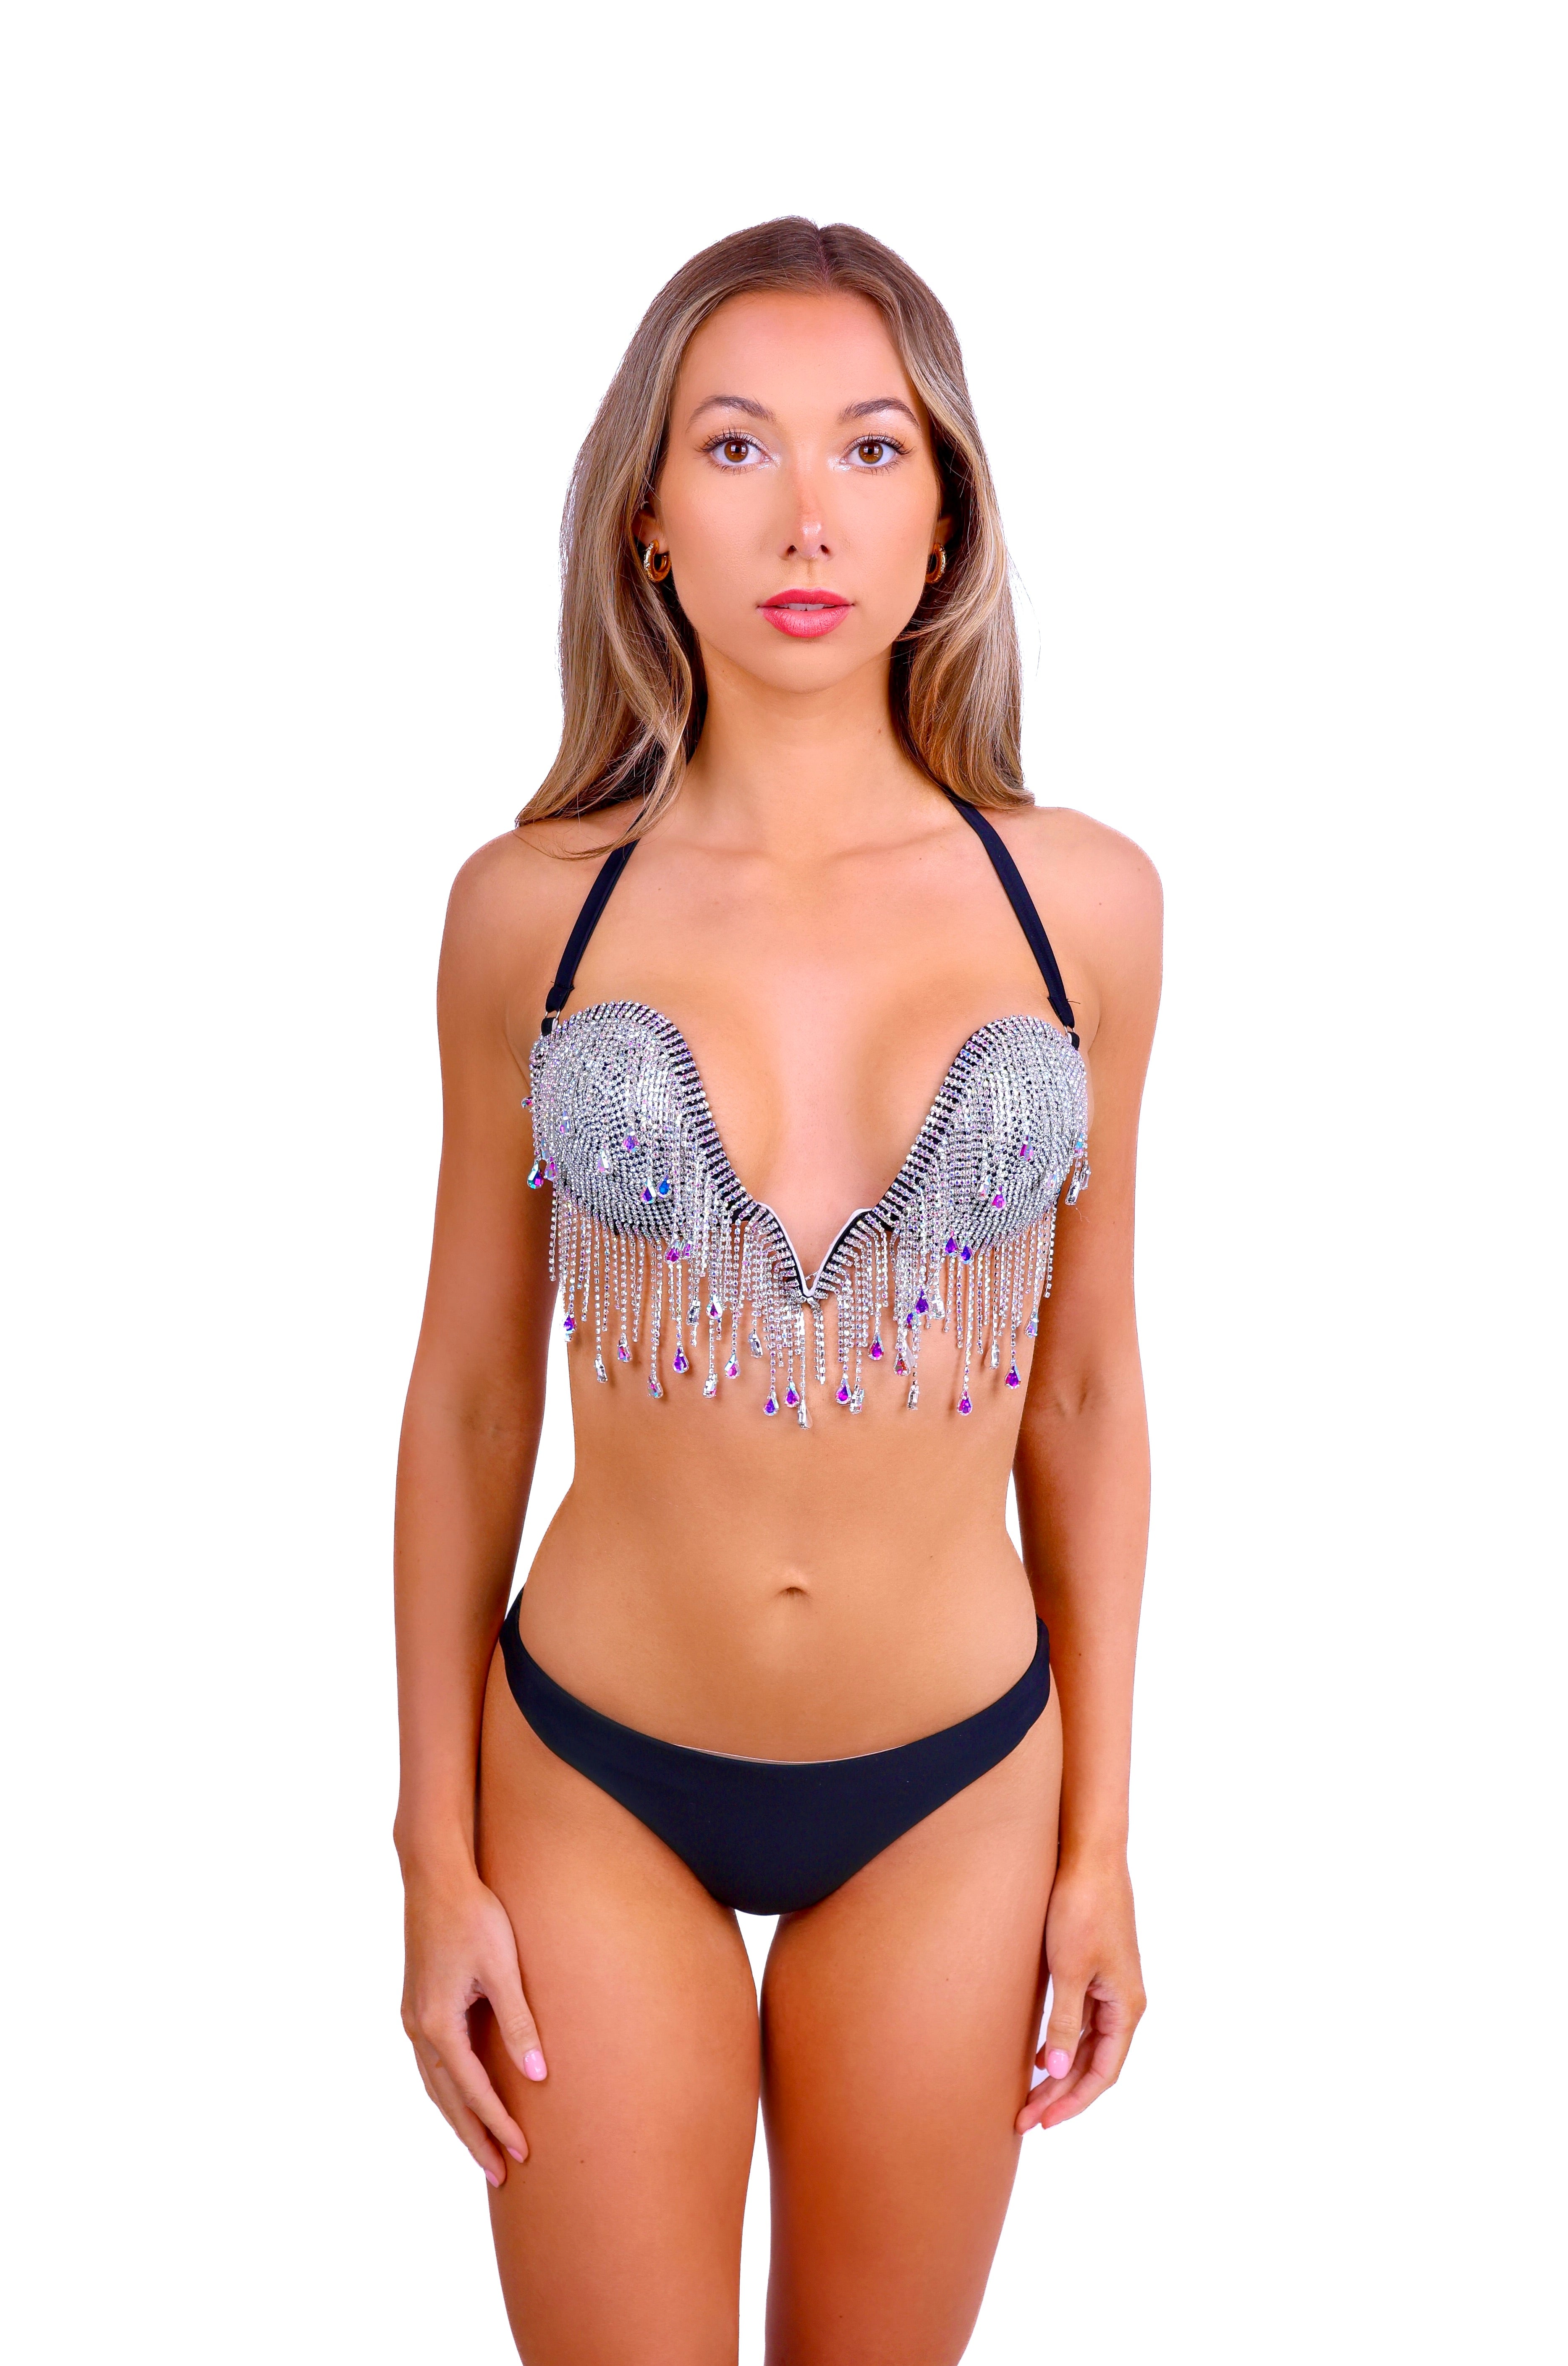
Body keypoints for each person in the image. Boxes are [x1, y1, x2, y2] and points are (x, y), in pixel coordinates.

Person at [394, 215, 1161, 2366]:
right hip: (590, 1775)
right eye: (736, 446)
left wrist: (1101, 1840)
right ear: (648, 518)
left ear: (946, 518)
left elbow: (1085, 1395)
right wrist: (432, 1849)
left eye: (870, 447)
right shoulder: (527, 911)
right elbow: (469, 1397)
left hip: (956, 1784)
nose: (807, 516)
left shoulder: (1084, 905)